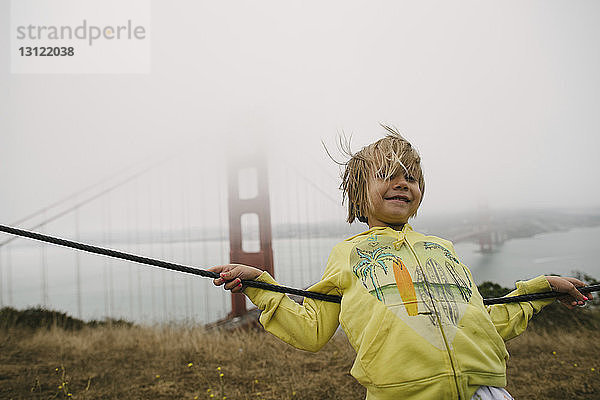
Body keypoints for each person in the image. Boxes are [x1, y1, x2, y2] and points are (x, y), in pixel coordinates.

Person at [209, 126, 590, 400]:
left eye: (411, 177)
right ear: (359, 196)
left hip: (485, 390)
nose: (402, 182)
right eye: (386, 174)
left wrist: (540, 291)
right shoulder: (349, 254)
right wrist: (260, 283)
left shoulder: (442, 248)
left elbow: (480, 322)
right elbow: (311, 330)